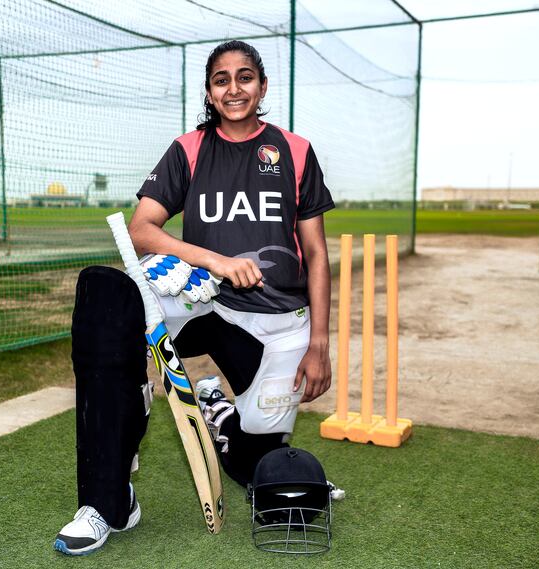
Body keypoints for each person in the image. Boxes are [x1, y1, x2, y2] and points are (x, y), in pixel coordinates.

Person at [54, 40, 334, 556]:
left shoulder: (294, 151)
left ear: (263, 86)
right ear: (209, 91)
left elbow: (316, 254)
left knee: (262, 474)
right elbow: (142, 229)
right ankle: (107, 500)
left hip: (279, 323)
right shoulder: (189, 149)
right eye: (222, 79)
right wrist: (212, 260)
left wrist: (320, 343)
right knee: (107, 304)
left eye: (245, 77)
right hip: (208, 306)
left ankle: (219, 412)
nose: (234, 88)